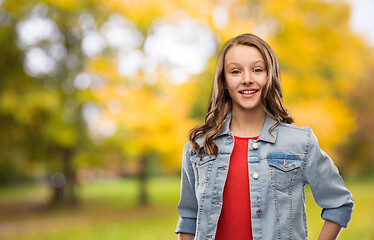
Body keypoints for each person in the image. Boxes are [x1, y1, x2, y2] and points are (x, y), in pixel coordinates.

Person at [175, 33, 354, 240]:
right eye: (235, 71)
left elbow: (339, 203)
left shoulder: (300, 142)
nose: (247, 79)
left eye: (257, 70)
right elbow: (188, 218)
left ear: (270, 76)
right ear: (224, 81)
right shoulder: (198, 147)